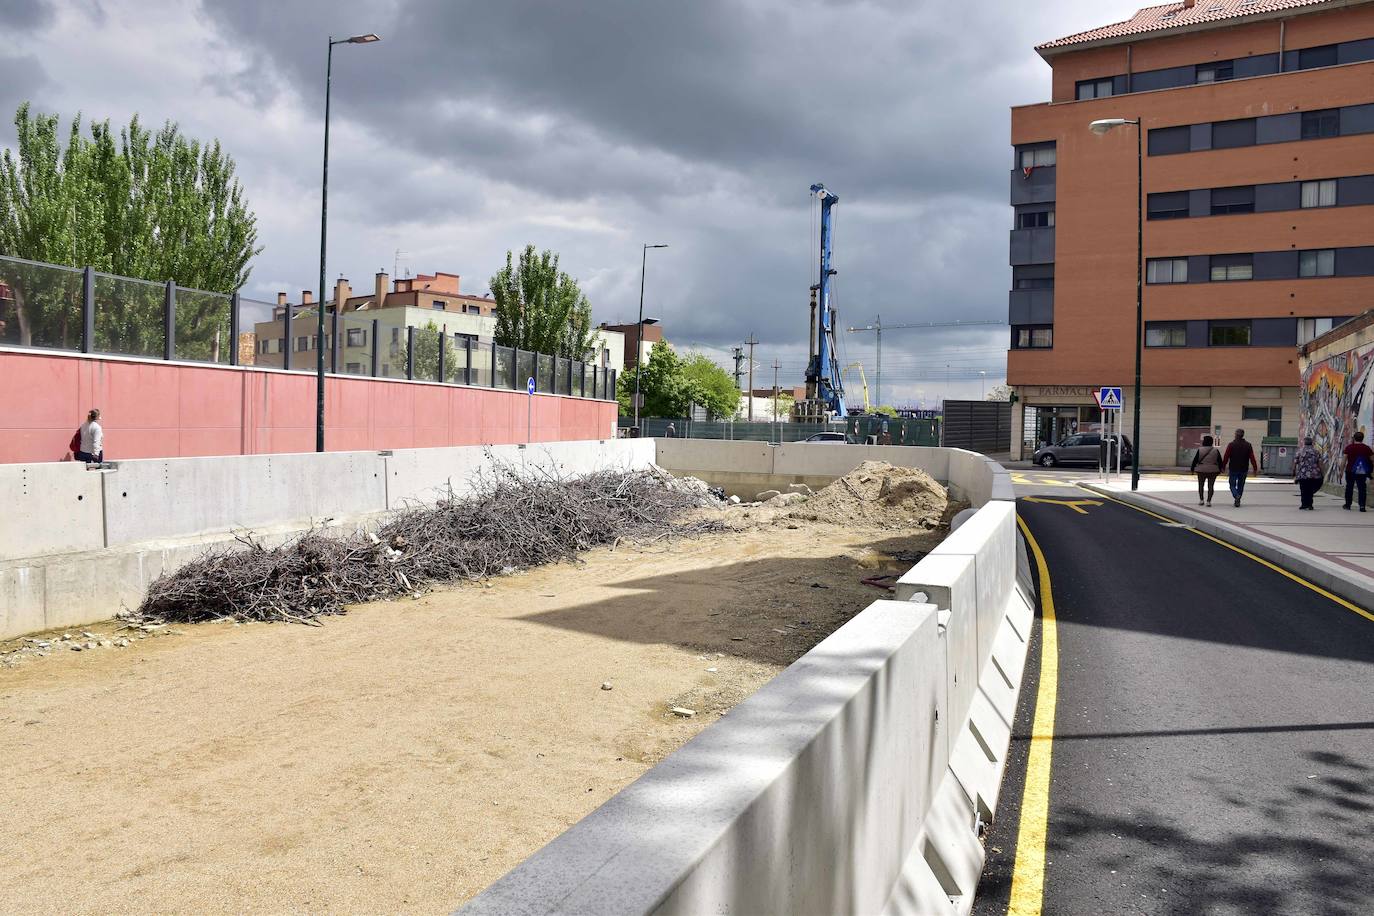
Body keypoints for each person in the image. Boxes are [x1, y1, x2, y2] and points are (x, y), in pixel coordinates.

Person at [1221, 428, 1257, 507]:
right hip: (1244, 468)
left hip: (1233, 468)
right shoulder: (1248, 445)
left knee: (1232, 484)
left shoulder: (1231, 445)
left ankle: (1236, 495)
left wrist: (1223, 466)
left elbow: (1226, 456)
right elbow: (1252, 458)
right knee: (1241, 485)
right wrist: (1255, 468)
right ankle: (1238, 499)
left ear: (1236, 435)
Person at [1342, 430, 1373, 512]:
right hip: (1362, 471)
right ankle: (1362, 506)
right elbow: (1372, 459)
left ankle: (1348, 505)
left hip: (1350, 471)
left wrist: (1341, 471)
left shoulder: (1349, 447)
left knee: (1349, 487)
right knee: (1362, 488)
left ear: (1354, 438)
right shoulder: (1367, 448)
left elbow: (1344, 460)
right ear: (1362, 438)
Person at [1190, 434, 1222, 507]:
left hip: (1201, 470)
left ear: (1204, 442)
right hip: (1213, 470)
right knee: (1211, 486)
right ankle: (1209, 501)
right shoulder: (1215, 450)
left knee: (1201, 485)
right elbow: (1220, 461)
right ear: (1211, 442)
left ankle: (1201, 500)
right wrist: (1220, 469)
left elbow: (1195, 460)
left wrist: (1192, 469)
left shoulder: (1200, 450)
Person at [1293, 436, 1323, 510]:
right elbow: (1320, 463)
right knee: (1310, 490)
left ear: (1304, 442)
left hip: (1302, 474)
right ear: (1312, 443)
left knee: (1303, 489)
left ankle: (1303, 504)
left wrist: (1293, 471)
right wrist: (1322, 472)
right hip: (1313, 474)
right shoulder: (1316, 451)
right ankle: (1310, 505)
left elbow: (1295, 462)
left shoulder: (1300, 451)